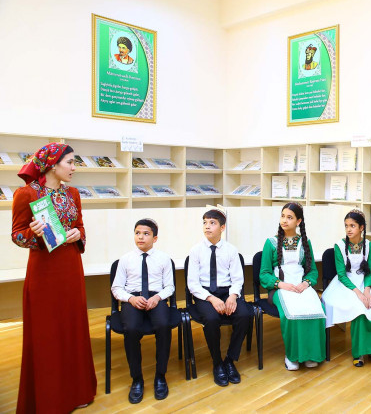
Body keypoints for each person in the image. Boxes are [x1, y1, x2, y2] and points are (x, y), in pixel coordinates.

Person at [11, 143, 96, 413]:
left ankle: (77, 392)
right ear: (52, 164)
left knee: (72, 327)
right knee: (46, 332)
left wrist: (78, 234)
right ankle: (50, 399)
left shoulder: (73, 193)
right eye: (69, 162)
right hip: (44, 271)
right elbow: (17, 234)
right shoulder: (26, 194)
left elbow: (80, 226)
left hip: (71, 267)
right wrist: (33, 233)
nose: (74, 168)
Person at [187, 208, 253, 387]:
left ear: (222, 228)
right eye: (205, 223)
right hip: (204, 294)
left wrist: (232, 296)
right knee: (211, 318)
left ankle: (230, 360)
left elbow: (238, 279)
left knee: (245, 315)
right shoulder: (195, 251)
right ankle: (217, 363)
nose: (207, 226)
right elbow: (193, 284)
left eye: (212, 223)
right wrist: (211, 298)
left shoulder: (231, 250)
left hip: (227, 291)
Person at [111, 219, 174, 403]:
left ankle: (160, 376)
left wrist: (157, 298)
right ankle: (136, 379)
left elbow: (170, 287)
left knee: (163, 325)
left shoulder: (164, 259)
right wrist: (130, 298)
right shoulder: (125, 259)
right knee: (131, 329)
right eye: (137, 233)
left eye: (146, 234)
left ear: (155, 238)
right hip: (133, 298)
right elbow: (116, 288)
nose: (141, 237)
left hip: (156, 297)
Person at [260, 202, 326, 370]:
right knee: (293, 312)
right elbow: (264, 273)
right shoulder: (271, 242)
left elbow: (312, 271)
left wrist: (306, 283)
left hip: (301, 286)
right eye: (283, 216)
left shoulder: (305, 242)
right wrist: (281, 284)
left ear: (298, 221)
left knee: (316, 309)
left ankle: (310, 355)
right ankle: (293, 356)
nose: (284, 220)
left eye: (289, 217)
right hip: (280, 288)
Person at [321, 209, 371, 367]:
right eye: (346, 226)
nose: (348, 229)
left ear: (361, 228)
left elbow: (370, 271)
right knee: (359, 308)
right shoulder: (339, 246)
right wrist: (359, 293)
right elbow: (341, 275)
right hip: (346, 284)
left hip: (365, 282)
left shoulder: (370, 245)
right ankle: (359, 353)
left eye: (352, 226)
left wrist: (367, 290)